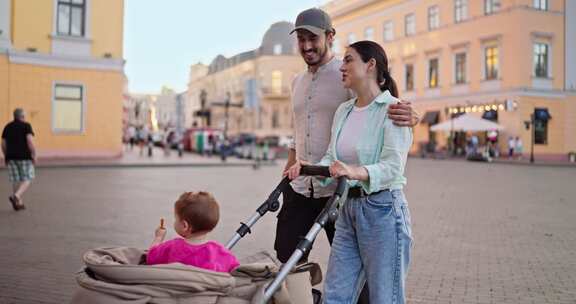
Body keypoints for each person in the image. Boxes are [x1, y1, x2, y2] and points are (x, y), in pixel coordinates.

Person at [276, 8, 418, 303]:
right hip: (307, 185)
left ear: (329, 37)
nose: (306, 46)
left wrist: (411, 116)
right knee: (294, 259)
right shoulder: (300, 84)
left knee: (376, 290)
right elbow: (299, 128)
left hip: (346, 195)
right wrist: (297, 163)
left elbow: (380, 108)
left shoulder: (347, 78)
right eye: (300, 39)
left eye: (312, 38)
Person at [147, 191, 239, 273]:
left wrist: (158, 237)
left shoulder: (172, 247)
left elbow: (151, 257)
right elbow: (235, 268)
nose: (174, 221)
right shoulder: (221, 252)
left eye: (176, 219)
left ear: (184, 226)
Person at [2, 108, 37, 211]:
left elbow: (3, 144)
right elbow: (29, 141)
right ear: (22, 116)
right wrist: (34, 154)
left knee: (16, 179)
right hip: (24, 157)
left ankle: (18, 203)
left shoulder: (7, 127)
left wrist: (6, 155)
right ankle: (16, 196)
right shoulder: (26, 126)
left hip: (11, 157)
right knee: (28, 178)